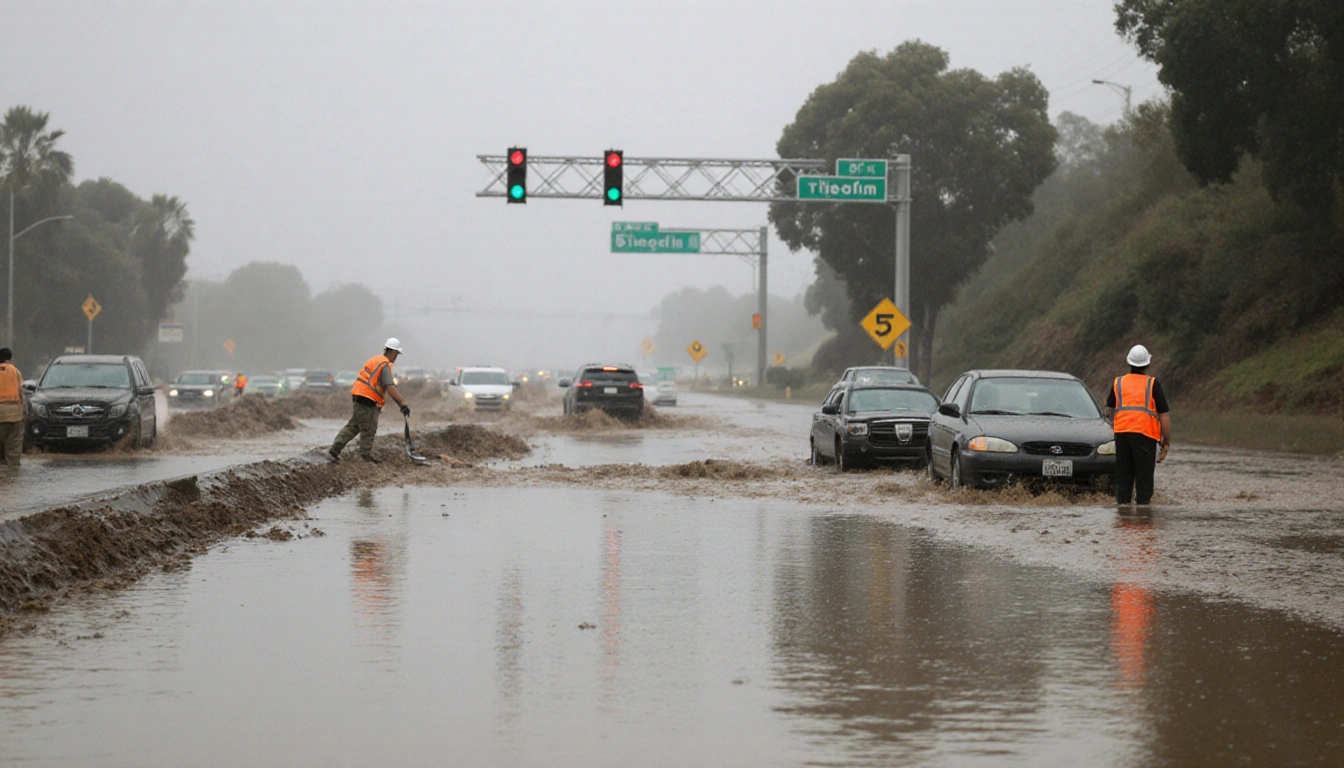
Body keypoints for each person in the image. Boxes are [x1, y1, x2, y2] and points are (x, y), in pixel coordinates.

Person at [1105, 344, 1172, 506]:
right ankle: (1143, 513)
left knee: (1124, 476)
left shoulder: (1118, 383)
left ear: (1129, 362)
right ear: (1147, 364)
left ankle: (1123, 510)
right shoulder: (1152, 384)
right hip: (1145, 435)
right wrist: (1166, 441)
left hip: (1121, 435)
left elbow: (1108, 411)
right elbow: (1164, 415)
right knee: (1144, 478)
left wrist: (1115, 425)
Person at [328, 338, 410, 463]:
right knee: (369, 428)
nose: (396, 357)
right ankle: (365, 457)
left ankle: (335, 449)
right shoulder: (384, 365)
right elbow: (389, 387)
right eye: (397, 354)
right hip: (368, 398)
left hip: (358, 395)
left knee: (354, 425)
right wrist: (402, 403)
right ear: (393, 352)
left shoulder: (375, 360)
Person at [0, 348, 25, 467]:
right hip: (15, 414)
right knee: (13, 448)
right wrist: (24, 411)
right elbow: (21, 392)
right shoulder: (15, 371)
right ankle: (12, 478)